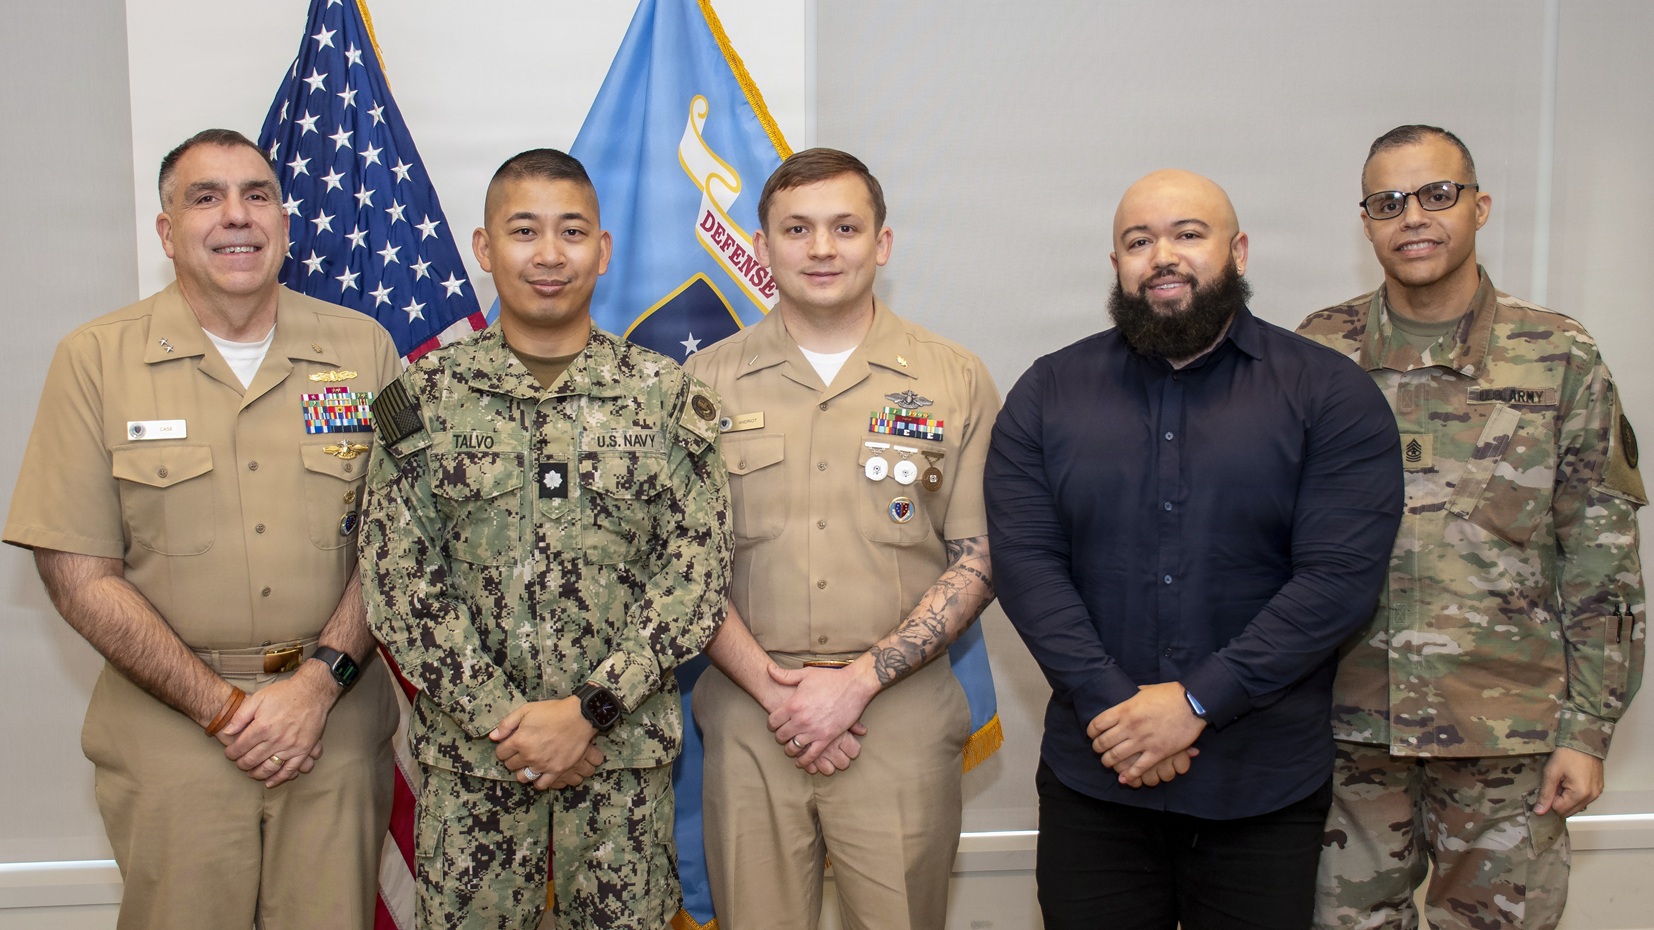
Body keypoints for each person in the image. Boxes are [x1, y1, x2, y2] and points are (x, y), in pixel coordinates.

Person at [984, 169, 1403, 930]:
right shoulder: (1047, 394)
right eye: (1138, 241)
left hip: (1262, 788)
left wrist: (1198, 702)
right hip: (1096, 782)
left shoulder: (1330, 395)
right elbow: (1026, 567)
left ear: (1237, 251)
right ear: (1116, 265)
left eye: (1187, 234)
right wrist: (1120, 707)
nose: (1162, 256)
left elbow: (1337, 580)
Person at [3, 128, 401, 929]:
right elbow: (77, 573)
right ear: (166, 231)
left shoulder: (365, 349)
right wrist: (222, 709)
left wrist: (315, 687)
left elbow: (401, 545)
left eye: (257, 195)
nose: (236, 217)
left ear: (285, 223)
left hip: (332, 721)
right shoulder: (94, 361)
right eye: (205, 197)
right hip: (171, 733)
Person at [359, 148, 732, 930]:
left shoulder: (667, 399)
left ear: (602, 249)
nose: (550, 254)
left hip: (621, 768)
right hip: (475, 773)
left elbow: (693, 578)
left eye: (571, 232)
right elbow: (400, 584)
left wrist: (587, 713)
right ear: (484, 248)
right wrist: (515, 727)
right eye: (524, 231)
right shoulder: (422, 399)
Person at [1296, 124, 1647, 930]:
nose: (1413, 216)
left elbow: (1602, 562)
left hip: (1511, 744)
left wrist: (1588, 733)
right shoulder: (1316, 352)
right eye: (1388, 202)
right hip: (1349, 736)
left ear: (1479, 206)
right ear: (1367, 223)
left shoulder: (1559, 355)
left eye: (1436, 194)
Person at [682, 147, 999, 929]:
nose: (822, 248)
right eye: (797, 228)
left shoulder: (953, 377)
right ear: (761, 247)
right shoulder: (700, 386)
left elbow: (980, 555)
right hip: (754, 721)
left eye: (845, 227)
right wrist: (775, 692)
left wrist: (853, 684)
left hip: (897, 717)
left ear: (881, 244)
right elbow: (678, 567)